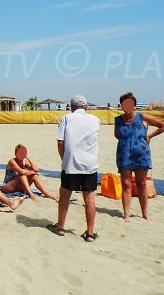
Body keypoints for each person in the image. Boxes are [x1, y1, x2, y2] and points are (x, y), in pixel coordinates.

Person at [49, 95, 100, 242]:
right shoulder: (95, 120)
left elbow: (60, 142)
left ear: (72, 107)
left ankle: (60, 227)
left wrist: (64, 159)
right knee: (89, 197)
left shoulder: (67, 118)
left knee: (65, 195)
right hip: (90, 164)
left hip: (71, 163)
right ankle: (90, 233)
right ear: (86, 106)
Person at [114, 92, 164, 221]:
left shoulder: (142, 117)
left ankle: (145, 212)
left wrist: (149, 136)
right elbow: (117, 135)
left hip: (141, 155)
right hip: (124, 155)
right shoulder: (118, 120)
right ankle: (126, 213)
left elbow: (162, 126)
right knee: (126, 184)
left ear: (134, 106)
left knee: (141, 183)